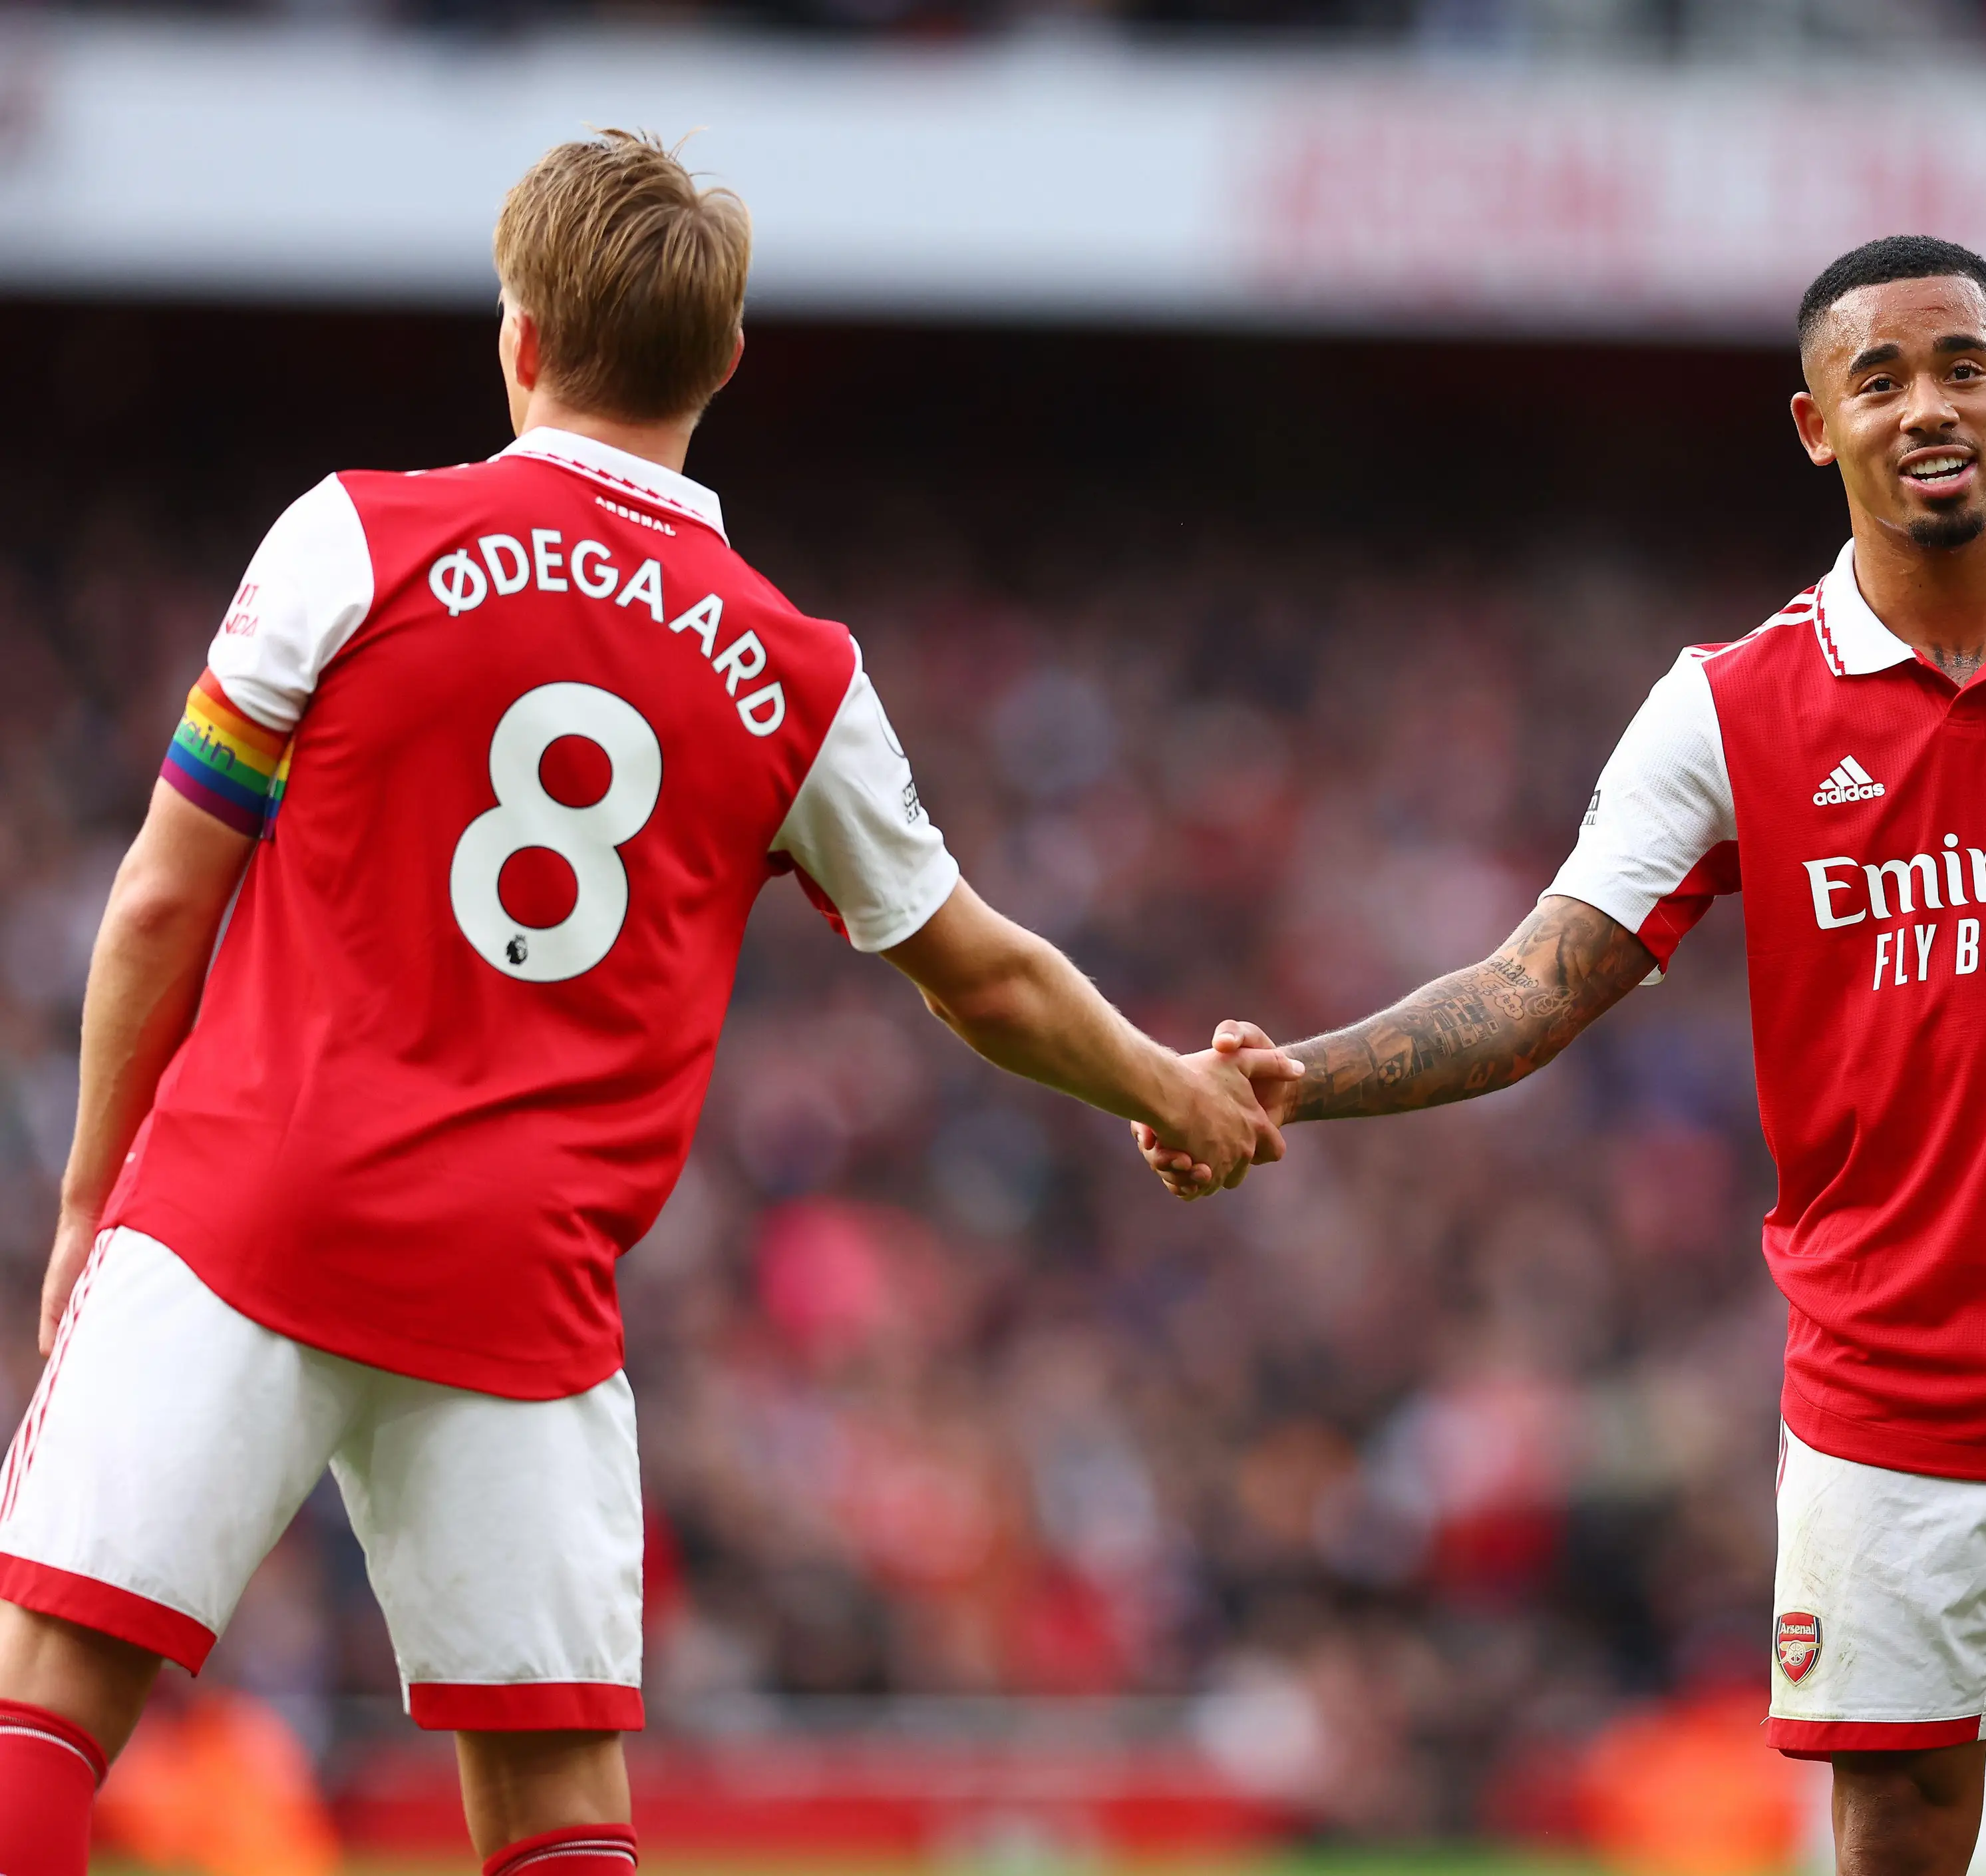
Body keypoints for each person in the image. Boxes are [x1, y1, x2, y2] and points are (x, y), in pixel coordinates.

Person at [0, 130, 1280, 1876]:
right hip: (517, 1286)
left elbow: (161, 892)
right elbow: (977, 968)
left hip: (243, 1209)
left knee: (48, 1698)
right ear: (728, 362)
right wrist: (1172, 1088)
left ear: (517, 334)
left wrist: (91, 1199)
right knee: (552, 1820)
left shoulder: (355, 536)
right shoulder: (798, 671)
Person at [1143, 234, 1986, 1874]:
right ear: (1815, 425)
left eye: (1961, 367)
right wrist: (1304, 1072)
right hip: (1884, 1387)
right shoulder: (1728, 705)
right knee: (1899, 1830)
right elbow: (1539, 982)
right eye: (1881, 378)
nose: (1928, 406)